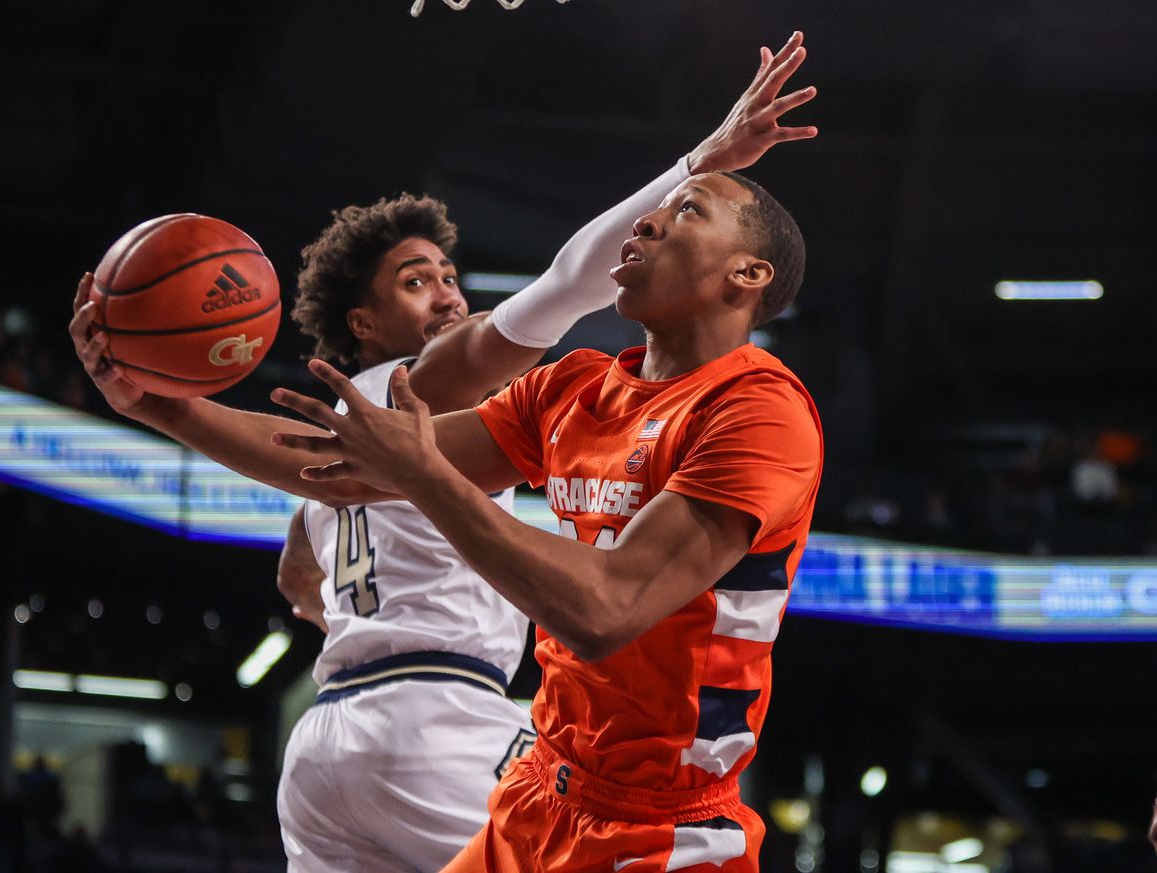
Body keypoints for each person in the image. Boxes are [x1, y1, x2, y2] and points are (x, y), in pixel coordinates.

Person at [70, 33, 816, 872]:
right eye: (418, 279)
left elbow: (604, 611)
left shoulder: (760, 409)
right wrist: (155, 403)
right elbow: (343, 464)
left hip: (657, 822)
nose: (648, 218)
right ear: (363, 319)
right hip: (521, 772)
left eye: (686, 210)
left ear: (747, 276)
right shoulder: (554, 384)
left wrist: (411, 473)